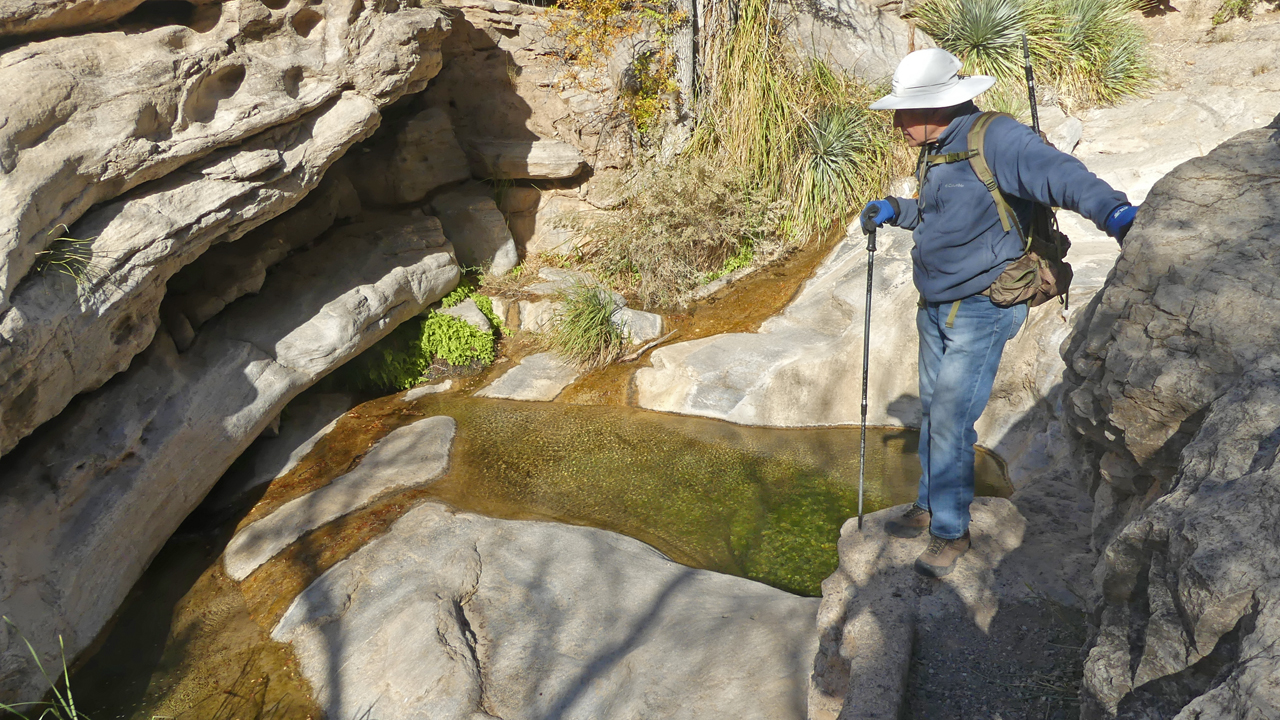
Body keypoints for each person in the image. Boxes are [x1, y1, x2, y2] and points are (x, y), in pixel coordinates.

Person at [859, 48, 1139, 578]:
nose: (896, 121)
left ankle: (950, 532)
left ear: (940, 105)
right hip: (935, 305)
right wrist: (900, 211)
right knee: (937, 417)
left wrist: (1116, 213)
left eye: (903, 110)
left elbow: (1063, 176)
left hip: (983, 307)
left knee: (948, 418)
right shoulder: (939, 145)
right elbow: (945, 215)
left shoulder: (999, 139)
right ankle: (930, 503)